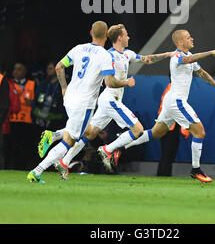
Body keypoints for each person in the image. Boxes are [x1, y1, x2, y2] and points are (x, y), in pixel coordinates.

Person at [45, 24, 175, 177]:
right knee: (138, 130)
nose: (129, 37)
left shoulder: (128, 54)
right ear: (119, 37)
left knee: (90, 133)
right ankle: (107, 150)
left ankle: (63, 160)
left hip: (109, 100)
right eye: (126, 34)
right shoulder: (107, 55)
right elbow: (100, 75)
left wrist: (168, 54)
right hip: (110, 100)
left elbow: (147, 59)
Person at [27, 21, 135, 183]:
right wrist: (127, 82)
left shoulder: (78, 48)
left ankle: (53, 135)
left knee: (87, 132)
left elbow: (58, 67)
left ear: (91, 33)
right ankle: (37, 171)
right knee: (70, 140)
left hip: (69, 98)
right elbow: (110, 83)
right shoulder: (105, 55)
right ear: (106, 36)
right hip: (84, 103)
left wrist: (64, 88)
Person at [120, 29, 215, 182]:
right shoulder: (177, 56)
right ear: (180, 42)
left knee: (156, 133)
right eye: (188, 37)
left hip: (171, 101)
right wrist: (211, 52)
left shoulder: (188, 56)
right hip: (177, 102)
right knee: (200, 132)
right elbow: (188, 61)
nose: (192, 38)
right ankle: (196, 170)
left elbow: (201, 72)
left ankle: (121, 145)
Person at [32, 61, 67, 152]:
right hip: (39, 122)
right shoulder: (42, 84)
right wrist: (35, 116)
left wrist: (60, 118)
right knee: (37, 147)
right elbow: (35, 101)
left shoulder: (63, 85)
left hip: (55, 123)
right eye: (48, 68)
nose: (49, 70)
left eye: (51, 68)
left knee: (52, 148)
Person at [156, 81, 190, 177]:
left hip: (170, 126)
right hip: (169, 127)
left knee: (168, 154)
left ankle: (164, 174)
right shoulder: (173, 88)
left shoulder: (172, 88)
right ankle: (163, 175)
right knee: (167, 154)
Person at [8, 63, 36, 170]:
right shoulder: (8, 84)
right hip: (12, 119)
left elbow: (35, 101)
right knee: (12, 147)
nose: (15, 71)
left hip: (27, 121)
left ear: (24, 72)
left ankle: (25, 168)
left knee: (26, 147)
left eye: (19, 69)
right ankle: (11, 168)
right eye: (14, 69)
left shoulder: (32, 84)